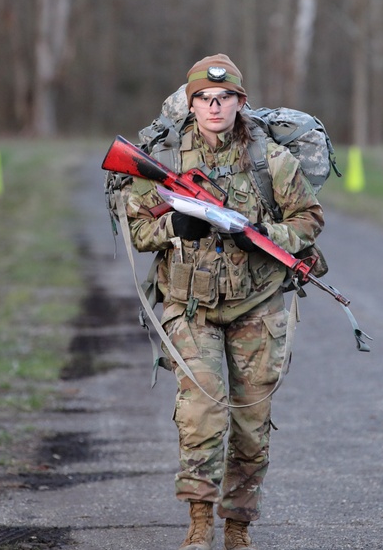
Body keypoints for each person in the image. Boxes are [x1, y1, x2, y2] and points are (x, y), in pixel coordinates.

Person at [122, 54, 324, 550]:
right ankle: (198, 523)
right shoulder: (164, 161)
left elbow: (308, 220)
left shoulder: (269, 159)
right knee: (201, 413)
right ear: (191, 104)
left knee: (252, 423)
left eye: (225, 98)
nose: (215, 107)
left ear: (240, 102)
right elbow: (140, 230)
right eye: (205, 99)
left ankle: (237, 528)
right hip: (191, 306)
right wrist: (175, 225)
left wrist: (260, 234)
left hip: (258, 304)